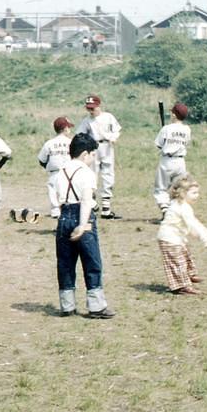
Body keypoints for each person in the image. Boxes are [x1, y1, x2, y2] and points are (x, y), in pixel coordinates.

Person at [54, 132, 116, 319]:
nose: (93, 158)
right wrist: (82, 225)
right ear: (84, 154)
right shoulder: (87, 173)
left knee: (65, 263)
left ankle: (67, 305)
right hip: (83, 218)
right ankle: (96, 306)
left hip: (64, 218)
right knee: (92, 262)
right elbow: (86, 201)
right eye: (92, 155)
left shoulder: (61, 172)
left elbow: (58, 200)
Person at [156, 173, 207, 295]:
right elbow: (192, 224)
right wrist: (203, 235)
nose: (197, 196)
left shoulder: (180, 204)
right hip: (169, 239)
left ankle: (189, 275)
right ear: (182, 193)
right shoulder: (182, 207)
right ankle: (182, 286)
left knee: (186, 256)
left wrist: (199, 233)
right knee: (177, 262)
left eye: (197, 192)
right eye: (193, 193)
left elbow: (190, 225)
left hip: (177, 238)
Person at [75, 94, 122, 219]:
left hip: (107, 146)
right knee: (92, 175)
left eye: (93, 108)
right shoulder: (87, 121)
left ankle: (106, 208)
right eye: (88, 108)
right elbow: (80, 134)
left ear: (98, 106)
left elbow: (117, 130)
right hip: (94, 147)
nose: (90, 111)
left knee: (108, 174)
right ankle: (92, 204)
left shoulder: (108, 117)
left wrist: (114, 137)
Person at [153, 103, 191, 220]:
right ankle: (176, 213)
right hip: (180, 162)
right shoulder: (187, 129)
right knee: (178, 188)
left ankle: (165, 211)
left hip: (167, 161)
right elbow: (186, 143)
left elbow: (158, 144)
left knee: (161, 188)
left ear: (174, 115)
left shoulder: (166, 129)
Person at [37, 116, 74, 218]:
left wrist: (49, 167)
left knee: (54, 200)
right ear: (65, 128)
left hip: (54, 173)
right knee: (68, 198)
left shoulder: (49, 143)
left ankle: (57, 219)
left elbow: (41, 159)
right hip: (69, 174)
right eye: (69, 127)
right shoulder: (71, 142)